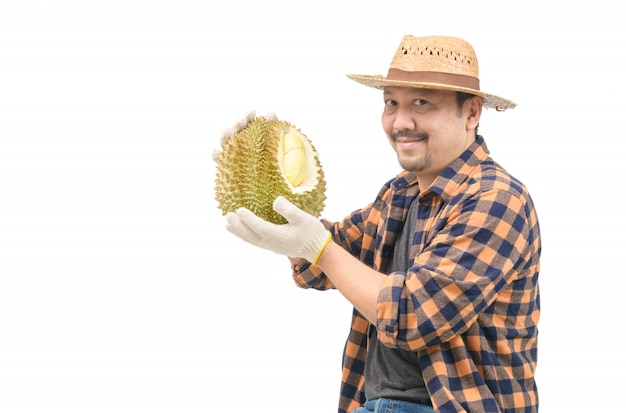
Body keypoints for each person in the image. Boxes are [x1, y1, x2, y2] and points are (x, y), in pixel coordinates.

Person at [223, 35, 541, 413]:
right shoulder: (400, 193)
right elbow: (326, 263)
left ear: (471, 113)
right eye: (391, 103)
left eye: (421, 103)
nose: (400, 122)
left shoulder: (496, 199)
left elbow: (415, 314)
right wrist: (255, 161)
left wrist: (319, 249)